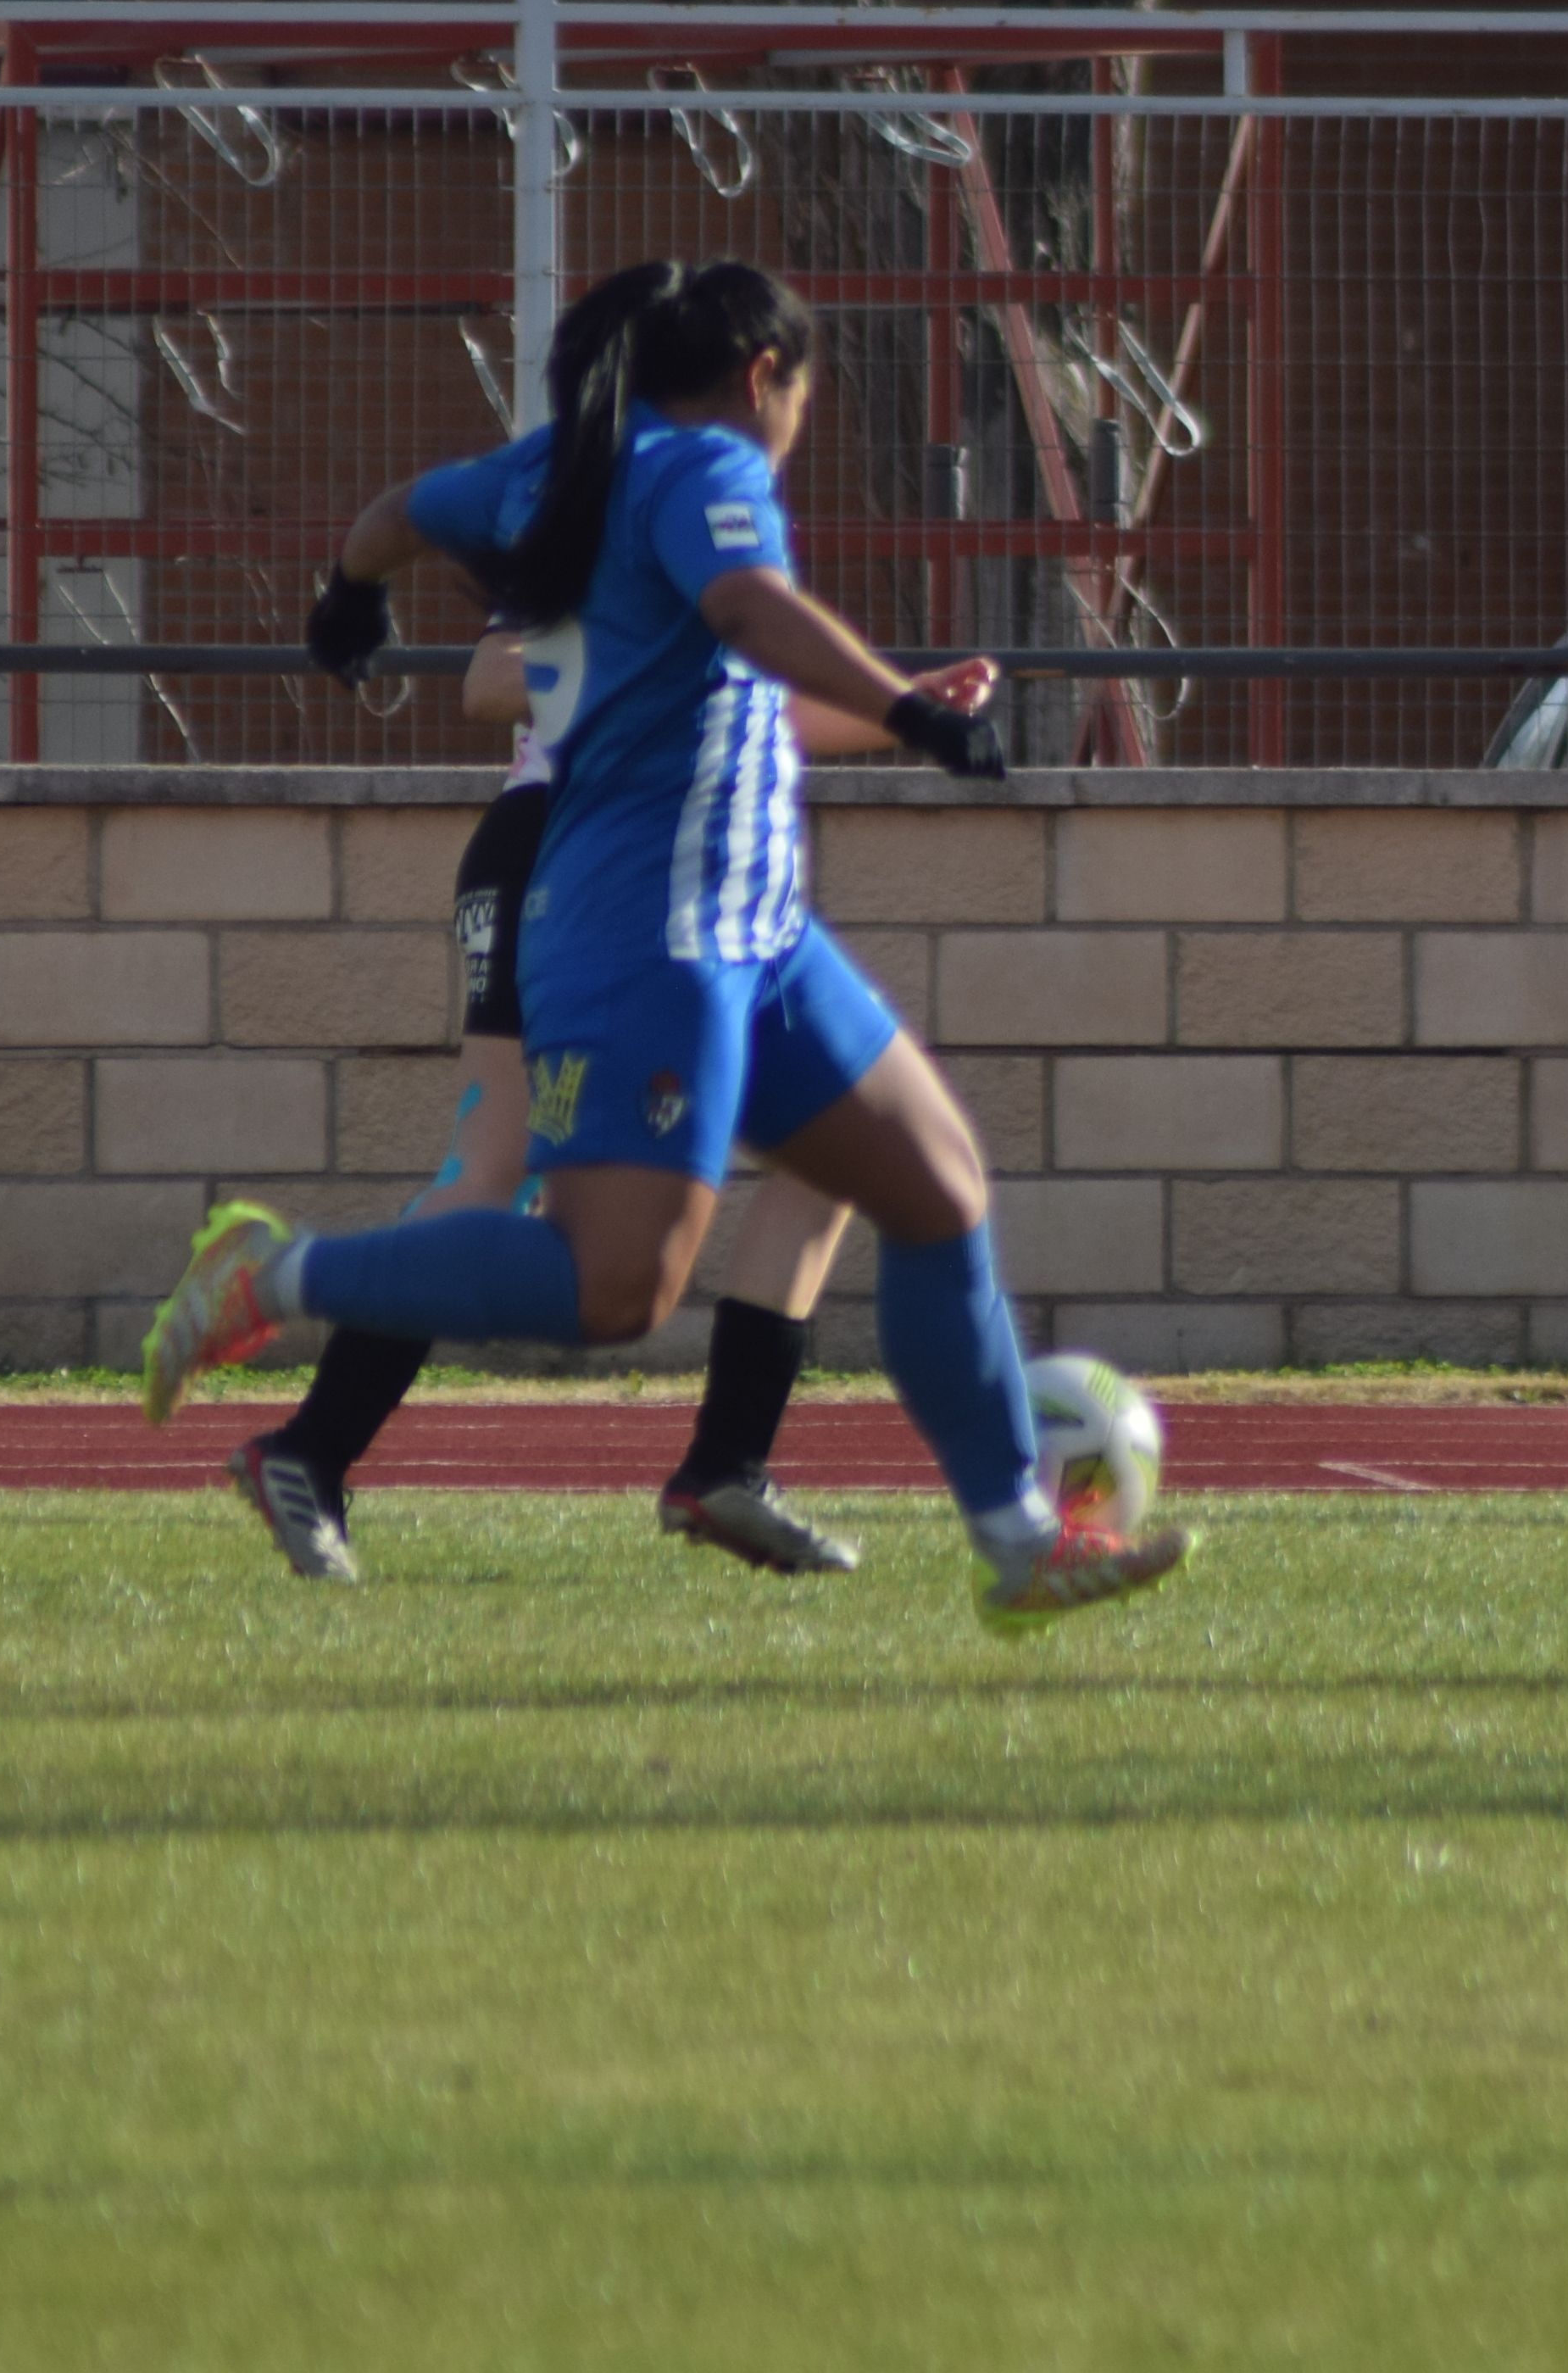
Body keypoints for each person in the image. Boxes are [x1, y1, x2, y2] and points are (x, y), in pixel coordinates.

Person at [145, 259, 1190, 1632]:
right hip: (649, 926)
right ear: (765, 377)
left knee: (934, 1184)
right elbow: (749, 610)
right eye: (802, 397)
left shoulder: (545, 471)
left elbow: (401, 513)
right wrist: (919, 716)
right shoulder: (702, 461)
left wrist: (349, 598)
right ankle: (272, 1272)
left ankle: (1014, 1539)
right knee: (614, 1288)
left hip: (755, 927)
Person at [223, 616, 886, 1585]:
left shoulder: (718, 527)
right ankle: (311, 1428)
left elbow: (752, 717)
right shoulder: (610, 497)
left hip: (680, 870)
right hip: (572, 855)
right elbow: (490, 680)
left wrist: (904, 708)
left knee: (843, 1145)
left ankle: (725, 1466)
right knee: (491, 1172)